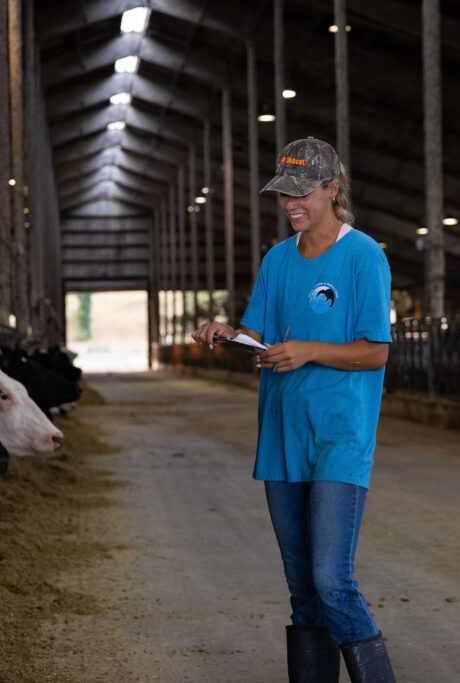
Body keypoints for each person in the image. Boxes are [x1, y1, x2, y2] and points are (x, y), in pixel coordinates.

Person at [191, 137, 395, 683]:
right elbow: (256, 333)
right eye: (283, 194)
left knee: (333, 582)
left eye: (302, 193)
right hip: (282, 434)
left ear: (333, 189)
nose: (290, 205)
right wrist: (226, 333)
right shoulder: (277, 259)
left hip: (338, 435)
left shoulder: (364, 256)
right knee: (303, 590)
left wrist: (308, 350)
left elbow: (376, 351)